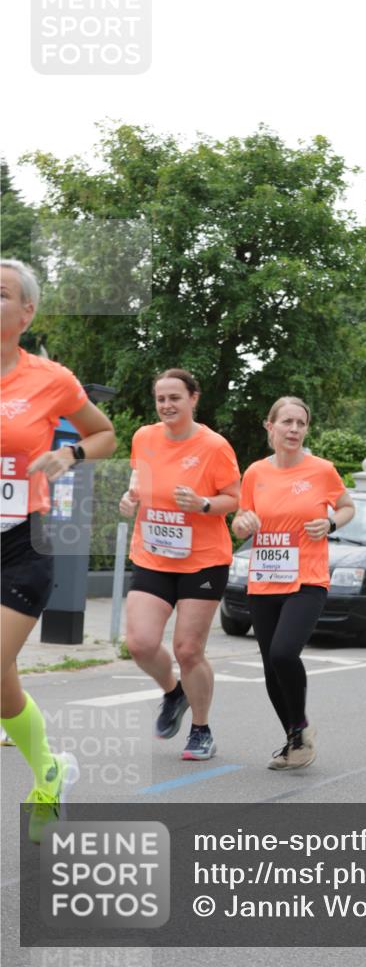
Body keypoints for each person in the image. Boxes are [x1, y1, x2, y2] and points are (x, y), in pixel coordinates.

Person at [1, 258, 116, 841]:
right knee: (1, 685)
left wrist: (67, 456)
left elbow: (103, 432)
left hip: (26, 540)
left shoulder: (50, 379)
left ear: (27, 312)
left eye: (1, 294)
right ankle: (50, 771)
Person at [119, 369, 240, 760]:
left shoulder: (214, 446)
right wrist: (130, 498)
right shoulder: (144, 437)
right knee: (139, 644)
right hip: (153, 555)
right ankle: (174, 693)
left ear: (193, 399)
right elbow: (139, 480)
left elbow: (234, 499)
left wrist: (204, 504)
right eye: (161, 399)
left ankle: (201, 730)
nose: (167, 405)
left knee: (188, 650)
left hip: (202, 562)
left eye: (175, 397)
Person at [231, 397, 355, 770]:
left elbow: (348, 506)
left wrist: (331, 524)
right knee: (271, 666)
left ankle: (299, 727)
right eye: (286, 422)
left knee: (284, 653)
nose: (294, 430)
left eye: (301, 423)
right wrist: (243, 524)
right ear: (269, 427)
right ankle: (295, 739)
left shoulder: (322, 470)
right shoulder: (254, 473)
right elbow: (240, 519)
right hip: (264, 580)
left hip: (307, 579)